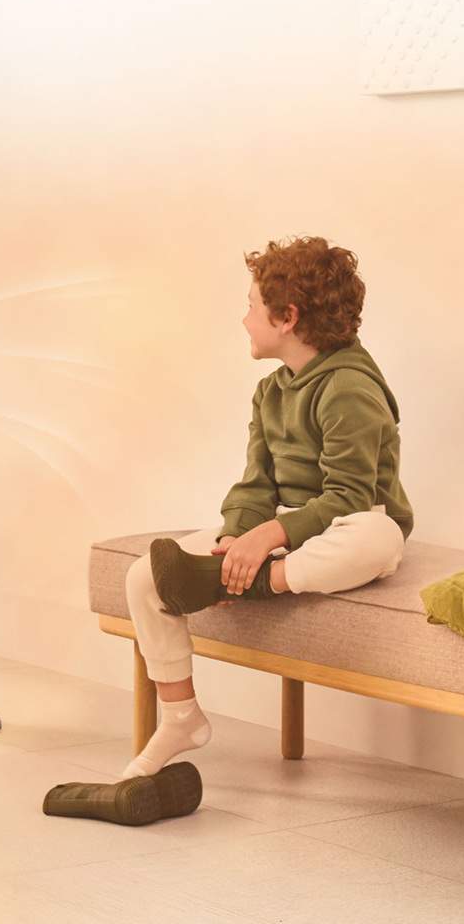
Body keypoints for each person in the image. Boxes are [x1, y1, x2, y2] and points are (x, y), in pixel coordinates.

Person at [119, 235, 413, 780]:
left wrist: (266, 543)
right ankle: (181, 715)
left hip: (346, 525)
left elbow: (350, 496)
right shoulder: (271, 391)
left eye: (252, 306)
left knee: (378, 537)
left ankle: (245, 581)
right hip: (286, 537)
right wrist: (237, 537)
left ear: (287, 316)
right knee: (144, 577)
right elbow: (256, 485)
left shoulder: (349, 388)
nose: (245, 318)